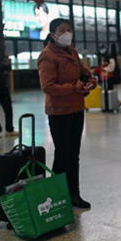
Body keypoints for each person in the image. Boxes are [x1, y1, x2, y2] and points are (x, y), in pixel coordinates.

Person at [37, 18, 97, 209]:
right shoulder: (47, 56)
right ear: (53, 34)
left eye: (69, 30)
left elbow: (82, 71)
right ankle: (56, 194)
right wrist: (73, 87)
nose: (67, 34)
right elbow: (48, 86)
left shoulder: (71, 51)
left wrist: (89, 79)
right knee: (63, 154)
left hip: (76, 109)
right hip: (59, 112)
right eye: (62, 30)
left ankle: (73, 193)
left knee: (73, 154)